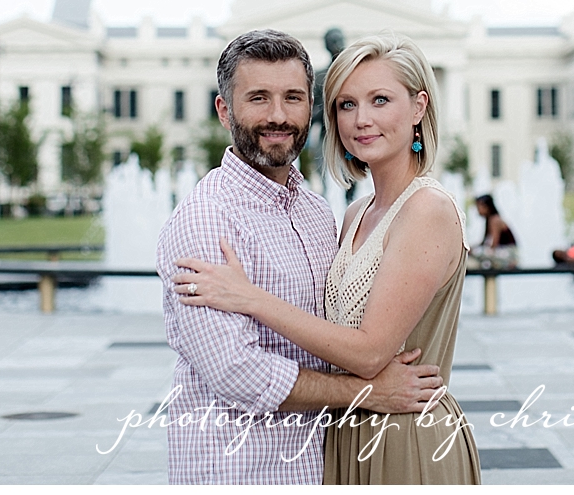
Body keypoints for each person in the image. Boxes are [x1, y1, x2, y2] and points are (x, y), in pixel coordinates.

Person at [171, 31, 478, 484]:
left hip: (405, 436)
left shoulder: (425, 210)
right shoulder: (351, 213)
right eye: (346, 104)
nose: (362, 120)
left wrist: (250, 298)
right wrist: (364, 394)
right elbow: (239, 369)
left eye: (380, 100)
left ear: (418, 107)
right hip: (341, 436)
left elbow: (372, 350)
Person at [471, 195, 518, 269]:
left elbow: (494, 244)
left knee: (479, 253)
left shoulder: (495, 220)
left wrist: (479, 252)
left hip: (509, 254)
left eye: (479, 207)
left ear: (487, 207)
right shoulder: (488, 220)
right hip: (502, 252)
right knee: (476, 252)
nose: (478, 210)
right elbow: (483, 242)